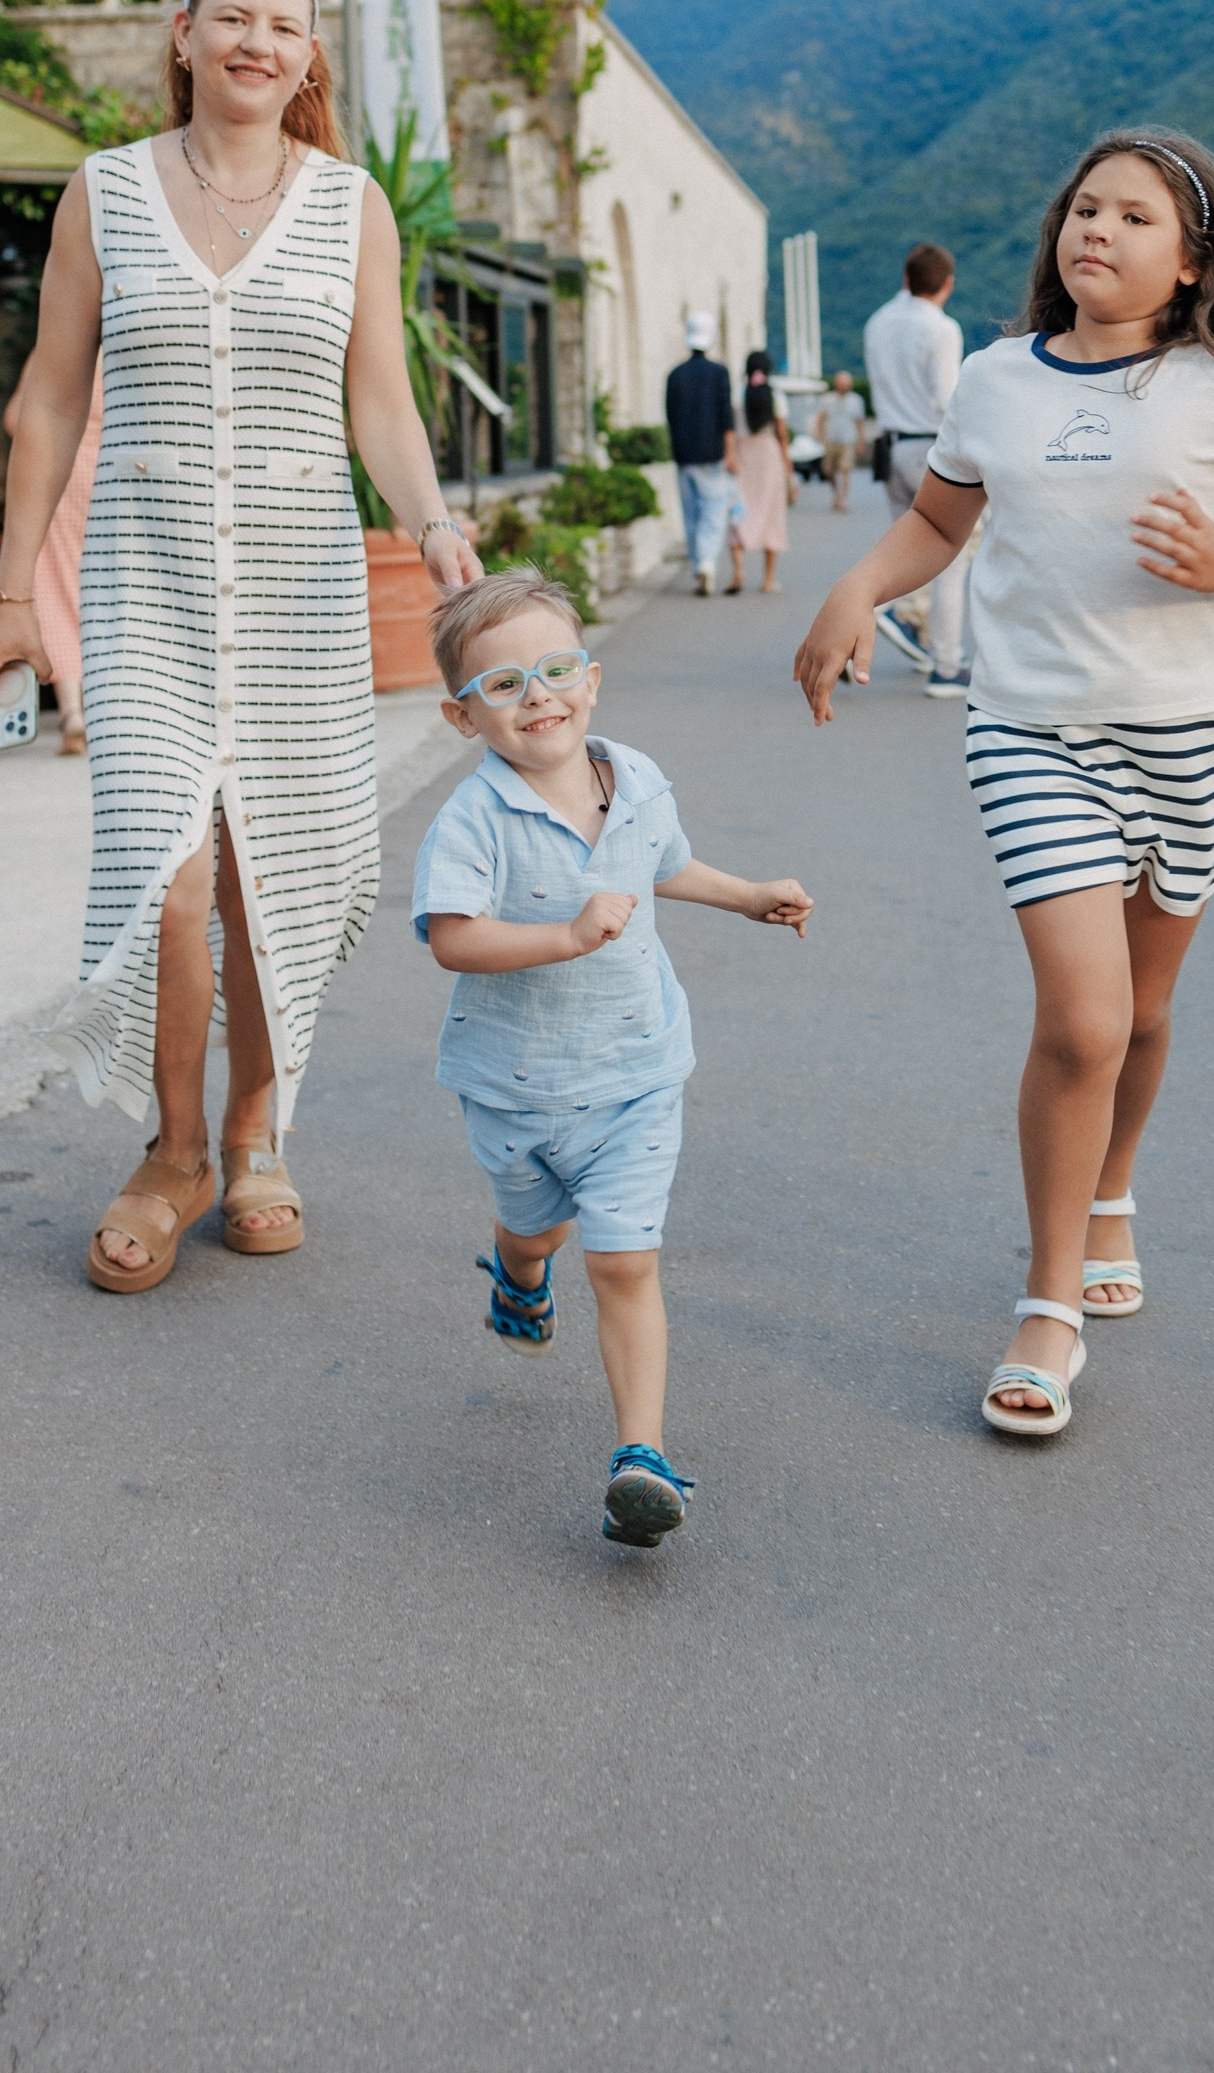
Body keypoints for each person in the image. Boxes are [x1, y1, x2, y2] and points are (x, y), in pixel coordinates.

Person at [795, 130, 1214, 1443]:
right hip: (1033, 732)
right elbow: (938, 522)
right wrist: (857, 587)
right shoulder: (994, 380)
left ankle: (1112, 1192)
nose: (1096, 229)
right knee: (1086, 1022)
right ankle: (1047, 1307)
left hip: (1194, 737)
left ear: (1192, 256)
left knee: (1145, 1017)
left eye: (1134, 216)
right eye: (1083, 209)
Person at [0, 0, 482, 1294]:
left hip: (302, 591)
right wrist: (12, 593)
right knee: (170, 876)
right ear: (184, 35)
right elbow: (48, 400)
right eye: (232, 19)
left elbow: (381, 399)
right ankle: (173, 1146)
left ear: (307, 58)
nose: (258, 43)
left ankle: (258, 1136)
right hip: (147, 586)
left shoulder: (351, 204)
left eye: (284, 27)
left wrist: (432, 528)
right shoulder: (106, 192)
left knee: (275, 879)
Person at [414, 567, 813, 1546]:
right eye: (501, 684)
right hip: (514, 1087)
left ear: (590, 680)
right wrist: (562, 936)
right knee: (537, 1234)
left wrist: (747, 894)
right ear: (462, 717)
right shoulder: (471, 818)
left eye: (553, 670)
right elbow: (451, 937)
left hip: (636, 1074)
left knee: (623, 1262)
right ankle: (516, 1273)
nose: (535, 695)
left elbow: (664, 864)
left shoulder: (632, 777)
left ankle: (640, 1455)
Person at [863, 243, 970, 697]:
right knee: (951, 555)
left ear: (905, 280)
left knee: (909, 550)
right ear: (947, 285)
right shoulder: (942, 330)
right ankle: (945, 664)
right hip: (930, 449)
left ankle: (915, 630)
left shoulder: (878, 323)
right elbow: (948, 400)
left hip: (890, 448)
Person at [5, 352, 103, 754]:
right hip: (121, 470)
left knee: (60, 588)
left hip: (65, 472)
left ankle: (72, 714)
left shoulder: (63, 341)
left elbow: (15, 418)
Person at [664, 312, 737, 598]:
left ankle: (698, 566)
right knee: (713, 511)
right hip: (712, 455)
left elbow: (670, 416)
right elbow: (725, 415)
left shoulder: (675, 375)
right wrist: (730, 453)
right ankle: (707, 561)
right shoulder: (719, 373)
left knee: (691, 513)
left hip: (684, 455)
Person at [727, 349, 795, 593]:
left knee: (738, 510)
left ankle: (738, 571)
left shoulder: (736, 393)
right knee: (771, 513)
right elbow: (782, 435)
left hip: (743, 454)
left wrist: (730, 455)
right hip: (769, 456)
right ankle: (767, 580)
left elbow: (731, 430)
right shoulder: (776, 396)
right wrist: (789, 469)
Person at [812, 372, 867, 511]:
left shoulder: (856, 400)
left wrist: (861, 441)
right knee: (828, 470)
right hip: (830, 439)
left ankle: (843, 498)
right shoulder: (827, 399)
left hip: (848, 439)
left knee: (845, 469)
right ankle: (836, 493)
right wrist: (819, 434)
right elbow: (821, 417)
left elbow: (860, 422)